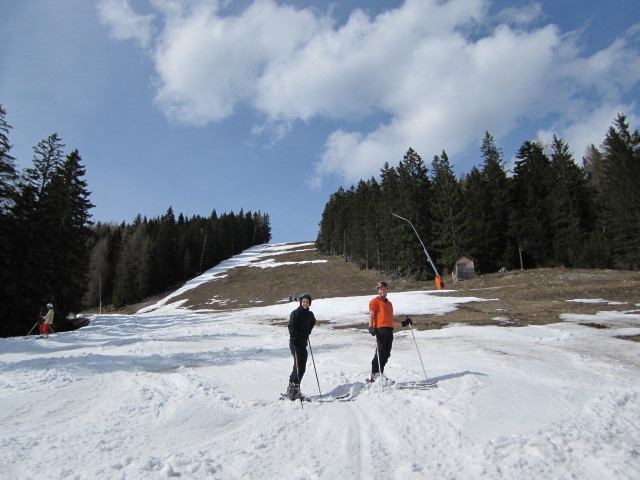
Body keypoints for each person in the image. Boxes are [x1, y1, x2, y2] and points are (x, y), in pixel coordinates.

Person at [367, 282, 412, 383]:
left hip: (389, 330)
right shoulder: (374, 302)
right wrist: (371, 327)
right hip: (380, 330)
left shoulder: (389, 304)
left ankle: (380, 375)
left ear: (387, 290)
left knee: (386, 353)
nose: (382, 291)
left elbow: (390, 318)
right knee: (380, 352)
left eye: (384, 289)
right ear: (378, 291)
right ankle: (374, 376)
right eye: (380, 289)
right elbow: (371, 315)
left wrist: (403, 323)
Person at [286, 293, 316, 400]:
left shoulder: (310, 314)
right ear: (300, 302)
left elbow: (313, 322)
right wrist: (295, 338)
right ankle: (293, 389)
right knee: (299, 365)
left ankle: (292, 388)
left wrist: (307, 332)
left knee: (301, 365)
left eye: (307, 302)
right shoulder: (295, 313)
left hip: (303, 343)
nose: (305, 303)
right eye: (303, 302)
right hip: (295, 343)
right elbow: (291, 327)